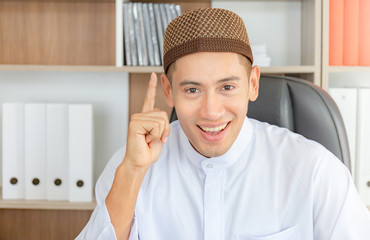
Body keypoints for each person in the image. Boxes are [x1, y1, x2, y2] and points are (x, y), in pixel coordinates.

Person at [76, 8, 370, 240]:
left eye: (227, 87)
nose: (212, 111)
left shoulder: (315, 170)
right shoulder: (130, 167)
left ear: (253, 83)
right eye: (192, 90)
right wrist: (132, 172)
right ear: (168, 91)